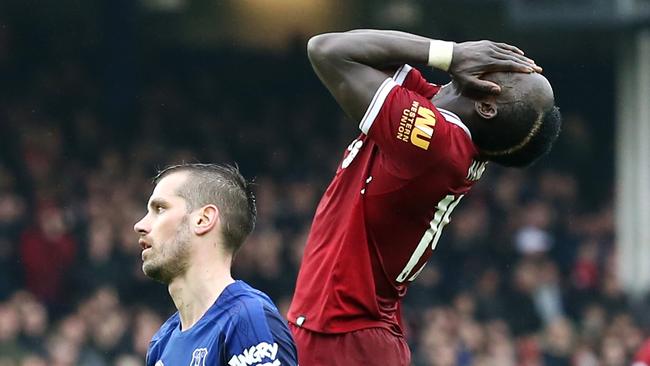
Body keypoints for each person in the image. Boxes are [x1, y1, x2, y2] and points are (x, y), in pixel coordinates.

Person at [287, 29, 562, 365]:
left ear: (488, 106)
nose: (490, 55)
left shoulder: (436, 144)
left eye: (503, 71)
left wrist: (452, 53)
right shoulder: (437, 114)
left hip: (344, 338)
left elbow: (327, 50)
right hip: (346, 333)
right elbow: (369, 52)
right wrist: (451, 56)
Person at [134, 163, 297, 366]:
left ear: (204, 219)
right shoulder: (162, 343)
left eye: (160, 209)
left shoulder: (247, 320)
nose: (139, 225)